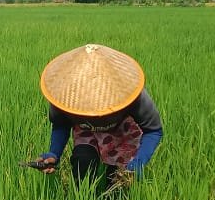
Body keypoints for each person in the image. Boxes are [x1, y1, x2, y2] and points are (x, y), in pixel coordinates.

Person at [34, 44, 163, 191]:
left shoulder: (132, 95)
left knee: (117, 184)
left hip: (121, 132)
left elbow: (153, 130)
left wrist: (139, 161)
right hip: (85, 130)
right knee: (82, 162)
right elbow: (61, 125)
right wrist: (54, 154)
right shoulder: (63, 97)